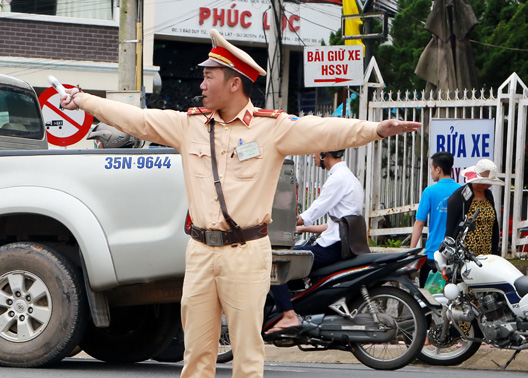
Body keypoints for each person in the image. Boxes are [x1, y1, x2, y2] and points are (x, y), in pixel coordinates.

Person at [60, 29, 421, 378]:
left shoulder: (271, 128)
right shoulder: (190, 125)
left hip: (247, 252)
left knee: (247, 355)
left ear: (234, 83)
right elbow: (137, 120)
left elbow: (322, 129)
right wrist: (83, 99)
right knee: (196, 354)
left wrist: (375, 129)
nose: (201, 84)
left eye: (209, 76)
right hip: (200, 251)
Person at [264, 149, 363, 338]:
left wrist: (279, 221)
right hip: (339, 243)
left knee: (274, 263)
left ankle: (289, 314)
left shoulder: (337, 179)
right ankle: (300, 312)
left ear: (326, 153)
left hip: (331, 248)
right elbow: (336, 223)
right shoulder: (349, 177)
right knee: (296, 255)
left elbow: (313, 212)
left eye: (316, 152)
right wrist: (304, 229)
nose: (313, 156)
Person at [410, 151, 460, 287]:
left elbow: (419, 223)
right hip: (455, 256)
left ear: (438, 169)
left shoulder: (429, 192)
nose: (431, 172)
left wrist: (410, 251)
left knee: (427, 300)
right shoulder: (461, 191)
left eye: (431, 169)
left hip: (433, 254)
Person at [446, 159, 504, 256]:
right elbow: (450, 229)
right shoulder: (459, 197)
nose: (485, 186)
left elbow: (494, 226)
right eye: (482, 182)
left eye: (488, 183)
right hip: (465, 257)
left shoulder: (488, 195)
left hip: (487, 256)